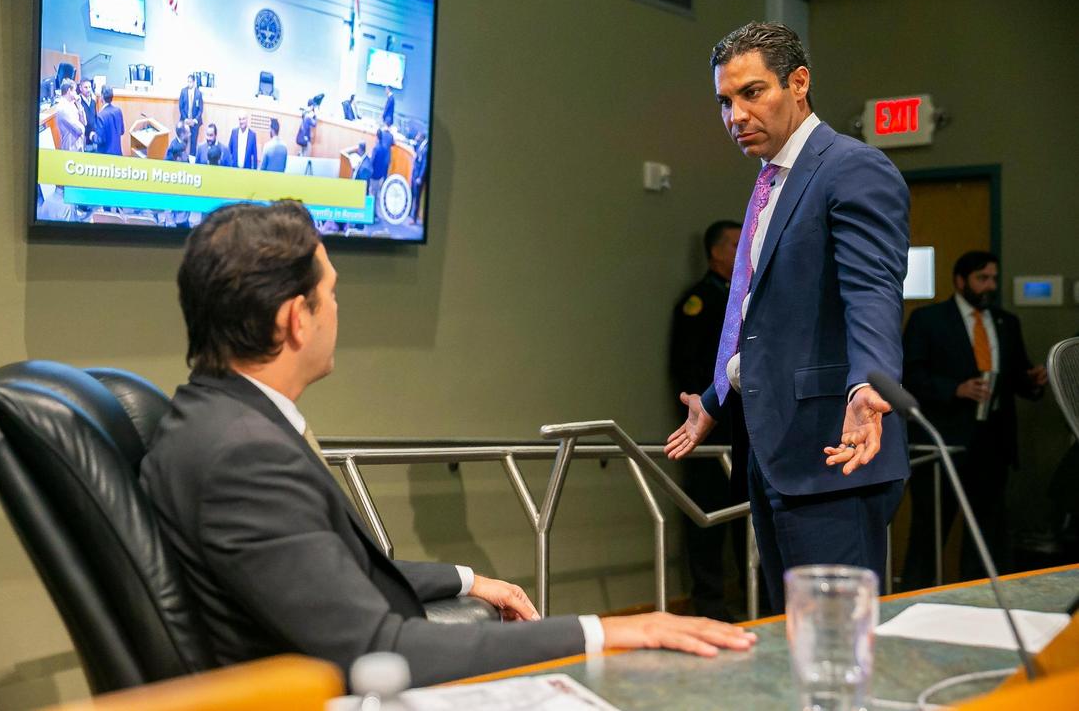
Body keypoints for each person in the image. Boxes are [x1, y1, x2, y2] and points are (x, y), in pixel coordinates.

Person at [140, 202, 757, 687]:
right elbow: (377, 650)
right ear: (295, 320)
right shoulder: (242, 457)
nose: (337, 311)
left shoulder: (218, 420)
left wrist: (467, 581)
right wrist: (605, 632)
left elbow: (320, 572)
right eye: (330, 294)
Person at [664, 22, 910, 611]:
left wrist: (869, 383)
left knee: (834, 639)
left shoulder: (851, 167)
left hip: (833, 450)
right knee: (793, 634)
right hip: (773, 451)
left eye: (752, 93)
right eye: (725, 101)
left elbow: (872, 289)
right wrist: (718, 395)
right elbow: (764, 317)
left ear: (798, 83)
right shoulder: (772, 181)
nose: (736, 115)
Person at [900, 251, 1047, 587]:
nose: (990, 286)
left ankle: (981, 600)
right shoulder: (929, 320)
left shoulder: (1006, 322)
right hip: (942, 445)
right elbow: (910, 376)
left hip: (992, 447)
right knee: (928, 533)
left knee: (987, 537)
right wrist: (955, 389)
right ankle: (914, 598)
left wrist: (1034, 381)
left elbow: (1017, 378)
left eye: (993, 278)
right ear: (960, 281)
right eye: (983, 278)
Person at [669, 220, 746, 620]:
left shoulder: (748, 295)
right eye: (735, 244)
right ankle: (710, 606)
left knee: (749, 522)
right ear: (715, 252)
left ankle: (759, 600)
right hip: (709, 431)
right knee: (708, 522)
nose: (742, 249)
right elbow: (688, 366)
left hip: (746, 431)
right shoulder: (699, 301)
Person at [54, 78, 85, 152]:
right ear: (69, 91)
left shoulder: (72, 103)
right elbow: (79, 130)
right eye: (74, 90)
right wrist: (82, 127)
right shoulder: (63, 108)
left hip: (79, 145)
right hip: (71, 148)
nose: (76, 93)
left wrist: (79, 105)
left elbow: (84, 122)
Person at [94, 85, 125, 155]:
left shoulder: (100, 116)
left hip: (105, 156)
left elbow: (100, 139)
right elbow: (122, 131)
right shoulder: (118, 111)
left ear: (102, 97)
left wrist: (92, 136)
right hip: (118, 153)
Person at [179, 74, 204, 156]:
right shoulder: (183, 91)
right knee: (183, 140)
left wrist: (195, 120)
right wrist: (185, 119)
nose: (189, 83)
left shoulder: (198, 93)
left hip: (194, 122)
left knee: (193, 142)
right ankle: (182, 157)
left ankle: (192, 158)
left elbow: (200, 109)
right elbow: (181, 107)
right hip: (185, 120)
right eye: (188, 81)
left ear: (194, 82)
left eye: (190, 82)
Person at [368, 126, 394, 203]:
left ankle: (372, 209)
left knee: (372, 193)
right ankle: (375, 208)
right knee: (377, 193)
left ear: (376, 136)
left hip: (374, 174)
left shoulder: (376, 148)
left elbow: (372, 161)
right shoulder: (384, 148)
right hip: (380, 174)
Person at [410, 131, 429, 224]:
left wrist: (420, 178)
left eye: (418, 136)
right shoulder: (420, 146)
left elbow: (424, 164)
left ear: (421, 137)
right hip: (415, 174)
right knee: (413, 195)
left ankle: (414, 218)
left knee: (417, 197)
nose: (416, 137)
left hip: (418, 177)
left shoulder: (426, 148)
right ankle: (413, 214)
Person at [77, 78, 99, 150]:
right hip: (85, 140)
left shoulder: (93, 101)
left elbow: (95, 117)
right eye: (86, 87)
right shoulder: (78, 102)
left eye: (89, 87)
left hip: (94, 137)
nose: (88, 89)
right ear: (80, 88)